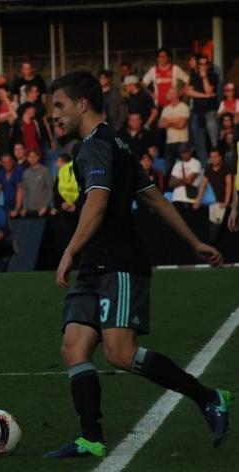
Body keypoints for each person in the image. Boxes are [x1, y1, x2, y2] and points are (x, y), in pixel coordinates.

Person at [45, 70, 228, 459]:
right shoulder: (118, 143)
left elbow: (96, 205)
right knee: (74, 347)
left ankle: (208, 396)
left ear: (82, 104)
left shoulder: (95, 147)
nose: (54, 115)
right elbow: (154, 199)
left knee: (119, 353)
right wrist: (193, 241)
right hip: (97, 263)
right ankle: (90, 438)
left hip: (118, 263)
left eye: (59, 106)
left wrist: (68, 251)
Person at [186, 55, 219, 164]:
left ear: (209, 65)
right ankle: (205, 168)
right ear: (198, 65)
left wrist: (204, 77)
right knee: (200, 144)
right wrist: (206, 96)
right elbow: (189, 92)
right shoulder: (194, 76)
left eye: (206, 64)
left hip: (210, 113)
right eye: (201, 64)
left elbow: (209, 90)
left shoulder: (213, 76)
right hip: (197, 113)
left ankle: (215, 166)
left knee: (214, 143)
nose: (203, 66)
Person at [158, 87, 190, 180]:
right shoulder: (166, 108)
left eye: (169, 92)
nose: (166, 94)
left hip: (182, 141)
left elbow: (181, 125)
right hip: (169, 142)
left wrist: (168, 122)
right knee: (168, 168)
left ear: (175, 95)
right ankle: (167, 190)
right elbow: (160, 124)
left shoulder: (184, 107)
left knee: (184, 167)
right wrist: (175, 121)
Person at [20, 148, 52, 217]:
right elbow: (25, 191)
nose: (32, 159)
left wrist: (45, 206)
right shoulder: (25, 173)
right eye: (30, 157)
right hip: (29, 209)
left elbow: (50, 189)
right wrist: (24, 208)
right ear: (27, 158)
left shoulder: (45, 171)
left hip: (42, 209)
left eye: (34, 156)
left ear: (38, 157)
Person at [169, 144, 202, 208]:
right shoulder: (177, 164)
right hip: (176, 198)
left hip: (189, 199)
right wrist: (184, 180)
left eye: (185, 152)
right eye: (182, 153)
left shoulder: (196, 163)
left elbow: (189, 181)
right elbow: (171, 183)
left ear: (190, 152)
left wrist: (178, 180)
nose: (183, 155)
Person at [0, 152, 23, 218]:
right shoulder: (1, 173)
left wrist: (16, 209)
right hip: (7, 206)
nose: (7, 164)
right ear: (2, 163)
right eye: (4, 162)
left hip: (21, 206)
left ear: (12, 162)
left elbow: (20, 191)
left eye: (8, 161)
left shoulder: (18, 170)